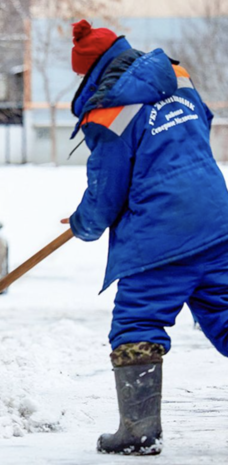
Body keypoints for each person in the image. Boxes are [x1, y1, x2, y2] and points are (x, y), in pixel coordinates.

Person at [65, 19, 228, 456]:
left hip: (161, 232)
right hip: (216, 218)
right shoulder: (178, 77)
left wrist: (83, 223)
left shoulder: (110, 110)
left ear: (92, 68)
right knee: (225, 315)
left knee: (137, 323)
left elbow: (106, 191)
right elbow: (204, 125)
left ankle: (138, 431)